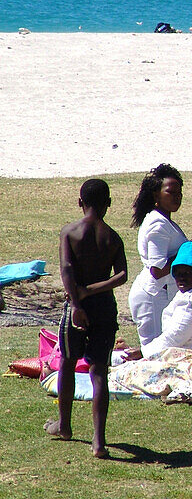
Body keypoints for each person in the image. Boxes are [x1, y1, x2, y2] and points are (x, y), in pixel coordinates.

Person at [45, 179, 127, 459]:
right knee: (99, 371)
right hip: (105, 306)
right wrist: (93, 290)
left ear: (80, 202)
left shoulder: (70, 232)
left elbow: (67, 269)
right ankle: (98, 442)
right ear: (109, 203)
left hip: (76, 306)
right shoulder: (112, 237)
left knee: (68, 361)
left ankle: (64, 426)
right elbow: (122, 275)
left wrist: (78, 301)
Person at [128, 164, 192, 348]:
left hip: (161, 295)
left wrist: (191, 246)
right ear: (156, 195)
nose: (177, 196)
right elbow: (157, 270)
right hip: (154, 296)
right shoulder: (158, 225)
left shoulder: (163, 220)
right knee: (155, 351)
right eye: (171, 192)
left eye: (179, 192)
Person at [127, 241, 192, 358]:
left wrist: (143, 352)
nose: (181, 277)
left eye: (188, 273)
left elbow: (175, 336)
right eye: (177, 273)